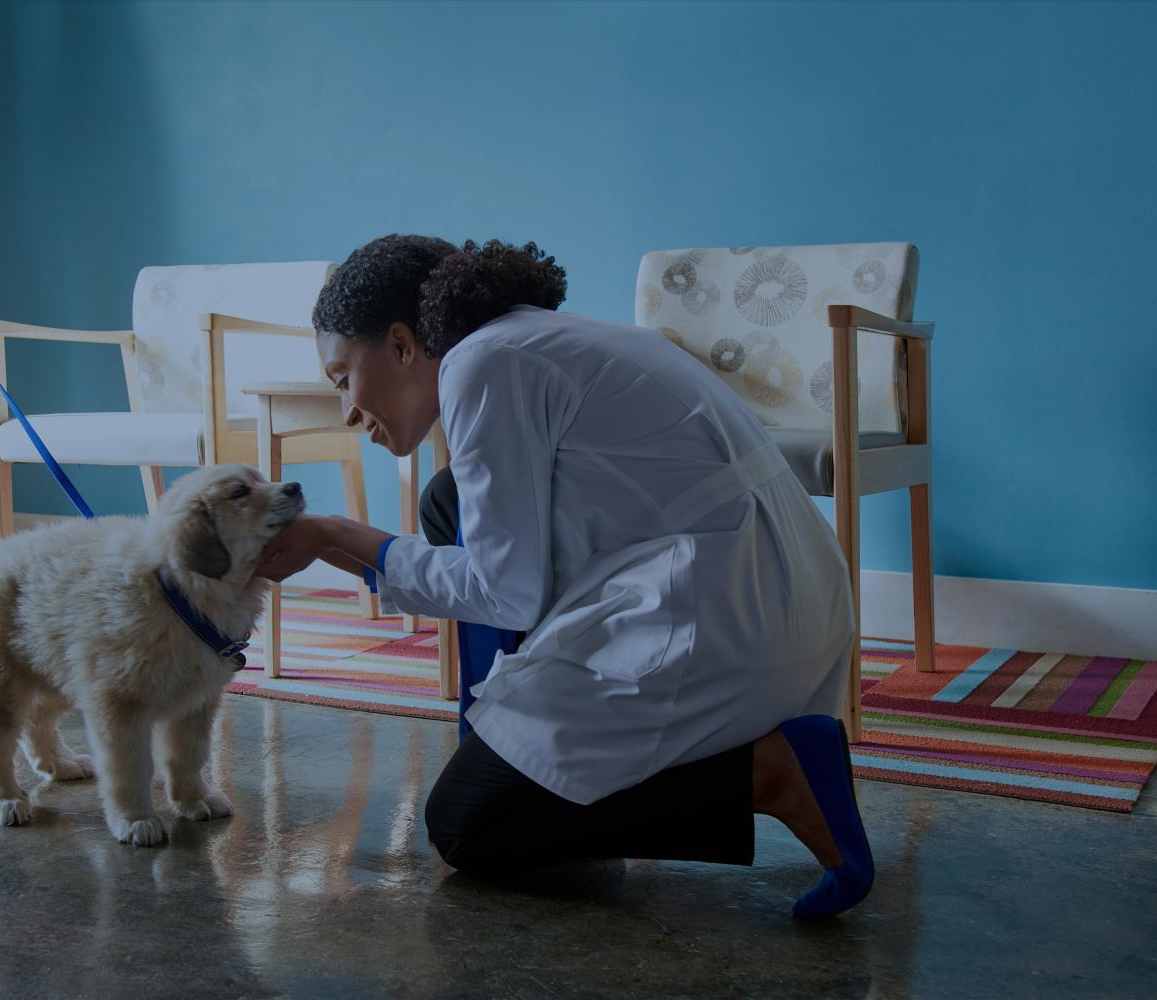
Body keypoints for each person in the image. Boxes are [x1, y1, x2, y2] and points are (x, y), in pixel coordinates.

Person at [253, 234, 873, 918]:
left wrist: (340, 535)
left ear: (401, 345)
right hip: (784, 589)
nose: (345, 408)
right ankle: (521, 748)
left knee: (466, 825)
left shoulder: (479, 366)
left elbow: (505, 590)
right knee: (448, 501)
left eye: (343, 377)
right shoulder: (531, 341)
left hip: (724, 618)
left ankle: (771, 775)